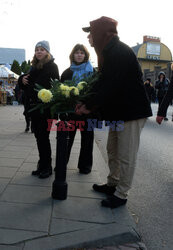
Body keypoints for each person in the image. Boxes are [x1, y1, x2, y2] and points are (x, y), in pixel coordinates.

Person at [76, 16, 152, 208]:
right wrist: (85, 101)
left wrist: (89, 105)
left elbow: (110, 85)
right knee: (113, 150)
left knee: (126, 155)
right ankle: (112, 183)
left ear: (102, 33)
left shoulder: (118, 52)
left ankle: (121, 194)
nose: (89, 38)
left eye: (90, 34)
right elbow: (102, 82)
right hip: (120, 112)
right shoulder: (108, 52)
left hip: (132, 112)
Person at [18, 40, 59, 178]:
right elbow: (27, 82)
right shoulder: (34, 67)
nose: (39, 52)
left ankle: (47, 167)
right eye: (37, 49)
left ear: (47, 52)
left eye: (42, 49)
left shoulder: (52, 66)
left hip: (45, 110)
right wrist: (21, 79)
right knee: (39, 138)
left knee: (43, 138)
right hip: (34, 109)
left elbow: (47, 87)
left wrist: (28, 83)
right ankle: (42, 165)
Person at [60, 44, 94, 174]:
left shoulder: (92, 72)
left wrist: (85, 104)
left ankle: (85, 166)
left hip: (87, 111)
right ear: (72, 55)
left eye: (82, 53)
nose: (79, 55)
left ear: (85, 55)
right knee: (66, 139)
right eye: (77, 52)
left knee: (87, 140)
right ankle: (62, 163)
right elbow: (61, 92)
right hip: (71, 112)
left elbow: (94, 92)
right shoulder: (67, 72)